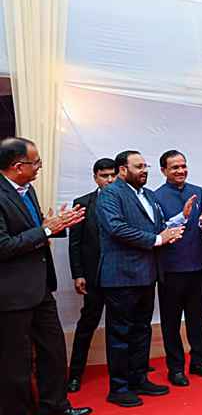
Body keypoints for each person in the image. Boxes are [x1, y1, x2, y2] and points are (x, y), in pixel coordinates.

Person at [0, 137, 92, 415]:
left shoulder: (28, 190)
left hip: (40, 286)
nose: (39, 167)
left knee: (53, 349)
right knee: (15, 361)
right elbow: (3, 246)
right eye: (36, 162)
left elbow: (35, 230)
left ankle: (53, 407)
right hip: (10, 292)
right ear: (17, 167)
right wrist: (47, 229)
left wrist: (56, 224)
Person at [96, 150, 192, 407]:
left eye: (145, 166)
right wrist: (158, 239)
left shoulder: (148, 195)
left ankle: (139, 378)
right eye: (138, 166)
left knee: (142, 330)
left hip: (147, 274)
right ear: (122, 170)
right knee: (120, 333)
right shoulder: (110, 194)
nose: (144, 170)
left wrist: (176, 224)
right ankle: (119, 387)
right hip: (121, 276)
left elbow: (157, 225)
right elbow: (116, 228)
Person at [154, 150, 202, 387]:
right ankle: (176, 368)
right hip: (170, 265)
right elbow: (158, 229)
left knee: (196, 315)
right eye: (174, 167)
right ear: (163, 171)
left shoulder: (197, 190)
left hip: (197, 260)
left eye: (183, 166)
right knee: (171, 320)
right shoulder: (155, 196)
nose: (180, 171)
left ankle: (199, 361)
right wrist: (183, 215)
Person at [66, 157, 117, 392]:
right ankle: (75, 374)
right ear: (95, 177)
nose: (109, 180)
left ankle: (124, 369)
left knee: (120, 325)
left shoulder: (125, 201)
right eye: (104, 176)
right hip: (93, 276)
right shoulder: (83, 203)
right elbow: (74, 244)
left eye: (112, 175)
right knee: (87, 325)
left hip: (120, 276)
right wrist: (78, 274)